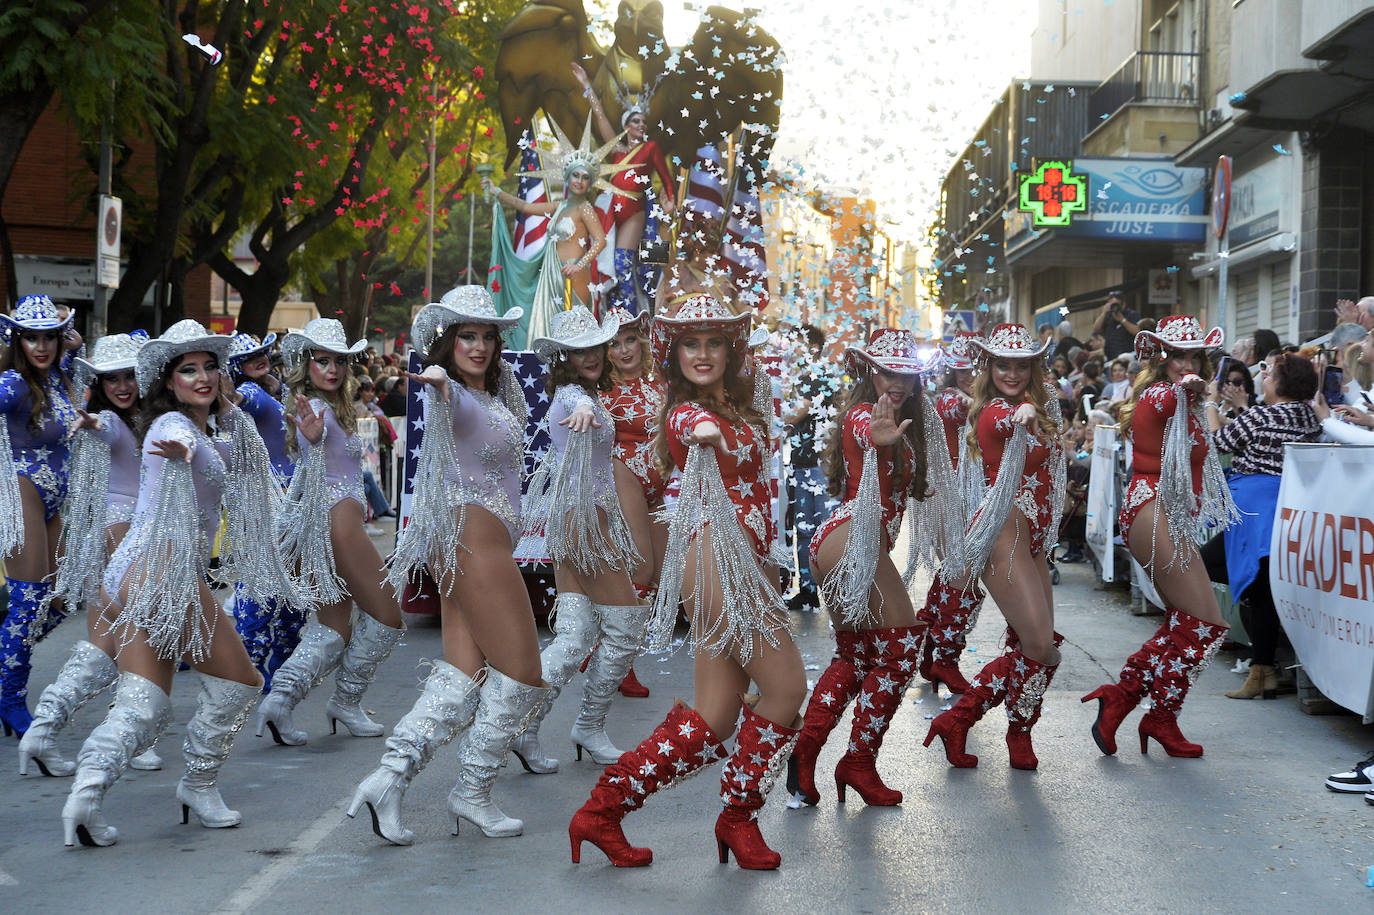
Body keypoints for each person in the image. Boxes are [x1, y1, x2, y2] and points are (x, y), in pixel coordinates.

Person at [569, 293, 805, 870]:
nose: (702, 354)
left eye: (713, 342)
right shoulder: (681, 413)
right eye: (690, 344)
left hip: (745, 563)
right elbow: (687, 427)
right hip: (712, 561)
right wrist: (703, 430)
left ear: (731, 349)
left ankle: (602, 811)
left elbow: (762, 494)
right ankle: (738, 817)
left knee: (716, 716)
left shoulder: (744, 408)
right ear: (672, 356)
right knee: (786, 688)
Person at [61, 320, 302, 846]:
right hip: (160, 572)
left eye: (210, 366)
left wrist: (238, 411)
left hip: (132, 572)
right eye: (188, 369)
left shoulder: (207, 428)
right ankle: (198, 784)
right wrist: (184, 452)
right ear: (168, 382)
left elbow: (245, 461)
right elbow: (171, 442)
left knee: (143, 704)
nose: (203, 377)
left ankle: (85, 795)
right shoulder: (171, 427)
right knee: (242, 682)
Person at [348, 285, 553, 843]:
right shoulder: (457, 395)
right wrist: (439, 384)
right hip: (472, 539)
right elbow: (446, 399)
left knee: (464, 675)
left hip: (467, 540)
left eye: (488, 336)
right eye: (467, 336)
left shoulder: (490, 398)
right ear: (447, 343)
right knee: (524, 673)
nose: (480, 346)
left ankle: (388, 778)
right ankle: (471, 791)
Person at [789, 328, 955, 808]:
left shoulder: (912, 419)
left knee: (855, 657)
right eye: (887, 372)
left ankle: (807, 754)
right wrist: (878, 437)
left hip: (849, 546)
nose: (897, 383)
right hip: (850, 544)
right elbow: (865, 428)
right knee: (902, 644)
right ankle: (857, 763)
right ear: (869, 372)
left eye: (906, 374)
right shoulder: (866, 414)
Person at [1081, 317, 1239, 758]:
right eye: (1177, 356)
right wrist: (1189, 386)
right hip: (1151, 509)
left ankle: (1127, 700)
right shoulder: (1157, 394)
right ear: (1160, 358)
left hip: (1170, 515)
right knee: (1207, 624)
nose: (1187, 364)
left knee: (1186, 623)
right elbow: (1172, 397)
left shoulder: (1187, 398)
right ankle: (1155, 715)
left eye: (1195, 356)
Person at [256, 319, 406, 746]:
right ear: (307, 363)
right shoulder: (314, 411)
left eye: (339, 360)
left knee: (334, 628)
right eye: (323, 360)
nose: (334, 369)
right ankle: (345, 700)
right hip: (337, 523)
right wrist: (315, 438)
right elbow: (312, 445)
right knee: (389, 616)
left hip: (329, 522)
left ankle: (279, 701)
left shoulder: (328, 406)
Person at [923, 323, 1067, 771]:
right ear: (988, 366)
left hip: (1034, 542)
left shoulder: (1041, 408)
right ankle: (966, 717)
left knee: (1041, 647)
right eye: (1002, 364)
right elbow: (1005, 421)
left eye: (1021, 365)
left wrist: (1034, 413)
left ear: (1033, 367)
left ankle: (996, 728)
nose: (1012, 373)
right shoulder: (992, 412)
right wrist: (1021, 415)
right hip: (1003, 537)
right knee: (1040, 645)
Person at [511, 306, 647, 774]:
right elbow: (576, 408)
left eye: (595, 346)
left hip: (580, 520)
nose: (590, 355)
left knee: (573, 638)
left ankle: (522, 727)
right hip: (585, 524)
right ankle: (588, 725)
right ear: (563, 357)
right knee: (626, 625)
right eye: (578, 350)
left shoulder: (586, 393)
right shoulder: (574, 396)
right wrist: (587, 410)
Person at [19, 333, 163, 775]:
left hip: (120, 531)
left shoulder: (146, 417)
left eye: (128, 376)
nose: (121, 385)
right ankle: (133, 737)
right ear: (98, 384)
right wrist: (93, 425)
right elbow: (104, 429)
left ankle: (41, 730)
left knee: (105, 639)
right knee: (137, 636)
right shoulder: (112, 421)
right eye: (110, 378)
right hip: (124, 532)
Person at [1200, 353, 1322, 700]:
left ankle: (1261, 669)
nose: (1263, 378)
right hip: (1286, 509)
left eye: (1269, 374)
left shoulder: (1263, 414)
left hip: (1255, 511)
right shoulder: (1308, 416)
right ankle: (1262, 670)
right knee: (1261, 586)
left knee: (1208, 565)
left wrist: (1210, 401)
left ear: (1283, 383)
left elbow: (1217, 442)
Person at [0, 295, 82, 737]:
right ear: (17, 339)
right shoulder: (12, 383)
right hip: (21, 491)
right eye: (30, 337)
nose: (41, 345)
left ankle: (4, 659)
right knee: (30, 600)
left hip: (57, 498)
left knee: (61, 601)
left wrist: (75, 343)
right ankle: (10, 699)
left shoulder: (62, 378)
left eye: (49, 335)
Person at [483, 122, 631, 340]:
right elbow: (526, 207)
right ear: (568, 177)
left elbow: (600, 241)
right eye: (576, 175)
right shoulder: (560, 206)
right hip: (553, 271)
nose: (579, 181)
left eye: (585, 177)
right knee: (553, 327)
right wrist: (498, 193)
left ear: (590, 182)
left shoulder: (585, 208)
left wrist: (578, 265)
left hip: (574, 273)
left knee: (574, 327)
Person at [224, 332, 304, 691]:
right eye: (248, 357)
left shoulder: (273, 388)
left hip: (289, 497)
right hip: (268, 499)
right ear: (236, 367)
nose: (258, 359)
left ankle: (274, 667)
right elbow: (235, 399)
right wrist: (224, 390)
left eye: (261, 352)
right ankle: (254, 667)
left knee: (288, 585)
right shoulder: (252, 393)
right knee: (263, 584)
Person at [598, 306, 667, 697]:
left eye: (629, 340)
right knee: (640, 569)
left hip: (659, 485)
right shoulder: (603, 389)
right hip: (623, 476)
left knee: (656, 577)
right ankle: (621, 665)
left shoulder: (663, 381)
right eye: (614, 343)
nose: (624, 350)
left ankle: (608, 646)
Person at [573, 62, 675, 314]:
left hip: (635, 214)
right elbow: (600, 117)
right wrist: (587, 86)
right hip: (610, 216)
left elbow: (665, 176)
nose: (641, 124)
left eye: (643, 121)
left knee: (623, 265)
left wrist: (670, 205)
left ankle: (631, 317)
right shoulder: (617, 151)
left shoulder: (650, 148)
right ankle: (614, 315)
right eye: (636, 120)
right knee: (607, 266)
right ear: (626, 126)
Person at [915, 330, 984, 695]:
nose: (970, 378)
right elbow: (967, 411)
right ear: (952, 374)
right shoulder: (949, 402)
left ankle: (931, 644)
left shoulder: (980, 399)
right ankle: (945, 658)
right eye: (964, 372)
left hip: (974, 497)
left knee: (957, 575)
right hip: (944, 495)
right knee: (963, 576)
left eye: (976, 370)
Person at [784, 324, 837, 612]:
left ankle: (830, 589)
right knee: (805, 529)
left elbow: (797, 413)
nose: (791, 350)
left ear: (813, 347)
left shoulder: (815, 377)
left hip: (817, 465)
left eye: (796, 343)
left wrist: (771, 421)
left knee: (821, 530)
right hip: (804, 462)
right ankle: (808, 591)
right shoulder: (806, 377)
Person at [1092, 293, 1141, 359]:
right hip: (1110, 356)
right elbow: (1096, 329)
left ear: (1123, 305)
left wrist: (1122, 320)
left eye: (1116, 304)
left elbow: (1138, 331)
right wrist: (1103, 313)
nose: (1114, 307)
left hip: (1128, 356)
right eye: (1111, 304)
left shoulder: (1132, 314)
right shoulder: (1108, 315)